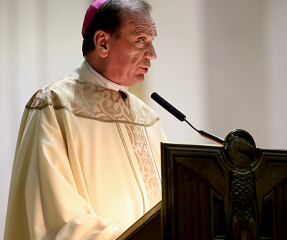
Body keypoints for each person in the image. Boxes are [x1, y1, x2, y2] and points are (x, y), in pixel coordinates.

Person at [4, 0, 166, 239]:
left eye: (152, 42)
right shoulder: (54, 106)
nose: (152, 54)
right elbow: (55, 216)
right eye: (141, 40)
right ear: (103, 42)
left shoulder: (147, 118)